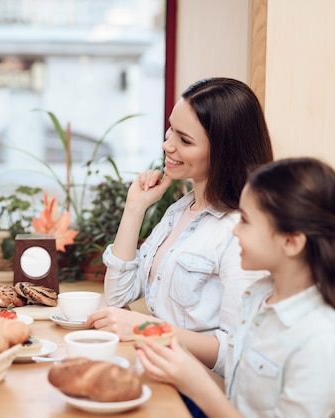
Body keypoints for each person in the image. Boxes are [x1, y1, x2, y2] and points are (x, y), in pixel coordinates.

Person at [137, 157, 335, 417]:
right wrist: (179, 365)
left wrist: (195, 382)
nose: (235, 231)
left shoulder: (323, 344)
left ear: (291, 242)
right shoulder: (258, 296)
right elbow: (236, 399)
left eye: (246, 221)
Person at [87, 77, 273, 377]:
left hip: (198, 393)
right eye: (171, 129)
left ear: (225, 151)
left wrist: (146, 328)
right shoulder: (180, 209)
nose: (167, 145)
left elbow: (236, 353)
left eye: (185, 140)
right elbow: (119, 296)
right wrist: (134, 208)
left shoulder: (241, 231)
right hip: (158, 371)